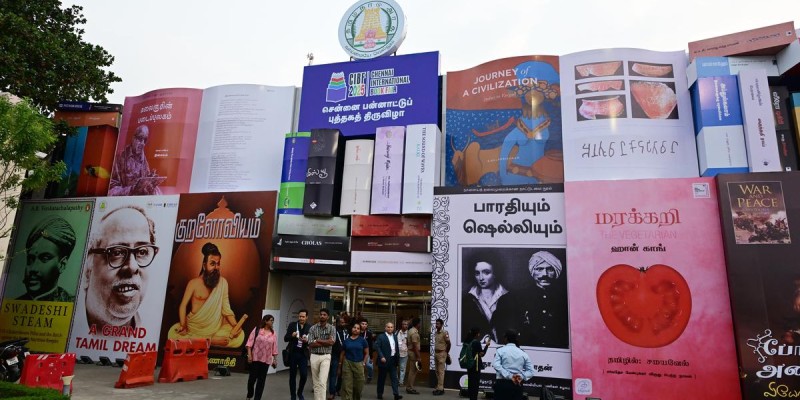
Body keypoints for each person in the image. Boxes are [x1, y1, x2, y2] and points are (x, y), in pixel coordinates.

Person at [84, 205, 157, 328]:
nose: (132, 267)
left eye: (142, 252)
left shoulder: (153, 329)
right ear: (88, 267)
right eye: (117, 252)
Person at [170, 242, 246, 347]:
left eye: (218, 263)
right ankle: (210, 340)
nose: (216, 267)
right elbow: (183, 305)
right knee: (173, 334)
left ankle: (201, 340)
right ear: (204, 265)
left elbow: (226, 309)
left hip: (215, 329)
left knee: (240, 335)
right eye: (212, 263)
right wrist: (183, 325)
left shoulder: (223, 283)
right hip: (194, 328)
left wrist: (235, 326)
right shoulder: (193, 283)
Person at [498, 61, 562, 185]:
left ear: (545, 95)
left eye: (537, 91)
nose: (532, 95)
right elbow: (506, 145)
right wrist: (502, 174)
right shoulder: (521, 124)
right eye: (528, 91)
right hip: (516, 175)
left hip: (539, 177)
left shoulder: (547, 122)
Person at [494, 251, 569, 348]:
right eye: (539, 269)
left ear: (556, 271)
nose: (544, 274)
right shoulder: (513, 298)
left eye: (550, 269)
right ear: (532, 271)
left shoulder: (564, 298)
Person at [17, 216, 77, 301]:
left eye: (44, 258)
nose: (33, 268)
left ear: (62, 265)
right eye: (30, 259)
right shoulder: (13, 304)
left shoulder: (72, 303)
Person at [462, 257, 508, 342]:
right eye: (477, 273)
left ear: (495, 274)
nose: (481, 278)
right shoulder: (467, 299)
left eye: (486, 272)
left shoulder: (508, 297)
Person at [109, 124, 163, 196]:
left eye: (145, 140)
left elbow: (144, 188)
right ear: (133, 138)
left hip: (141, 200)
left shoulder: (144, 161)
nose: (143, 144)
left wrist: (150, 181)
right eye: (140, 139)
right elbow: (111, 191)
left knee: (157, 191)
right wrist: (131, 190)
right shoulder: (119, 158)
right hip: (125, 201)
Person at [492, 330, 534, 399]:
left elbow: (496, 365)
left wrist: (510, 376)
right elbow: (531, 371)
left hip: (502, 384)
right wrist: (520, 377)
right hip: (517, 384)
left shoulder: (500, 350)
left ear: (506, 339)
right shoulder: (523, 353)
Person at [245, 314, 278, 400]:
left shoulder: (273, 334)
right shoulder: (257, 330)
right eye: (271, 320)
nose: (272, 322)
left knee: (261, 381)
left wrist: (275, 359)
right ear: (265, 321)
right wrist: (249, 355)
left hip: (266, 360)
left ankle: (257, 398)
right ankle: (250, 394)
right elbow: (249, 343)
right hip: (255, 359)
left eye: (273, 320)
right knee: (252, 379)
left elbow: (274, 348)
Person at [308, 308, 336, 400]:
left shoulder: (332, 328)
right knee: (316, 383)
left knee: (322, 382)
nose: (322, 316)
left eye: (324, 315)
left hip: (326, 356)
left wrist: (318, 340)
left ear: (328, 317)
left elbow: (331, 343)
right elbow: (311, 343)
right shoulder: (313, 328)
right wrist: (326, 341)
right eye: (321, 314)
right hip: (314, 356)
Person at [338, 322, 369, 400]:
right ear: (351, 329)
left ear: (360, 330)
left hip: (359, 364)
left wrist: (364, 363)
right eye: (354, 327)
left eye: (358, 328)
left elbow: (367, 353)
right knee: (347, 385)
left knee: (358, 386)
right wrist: (339, 366)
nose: (356, 329)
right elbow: (342, 354)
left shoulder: (363, 341)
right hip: (347, 363)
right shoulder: (346, 341)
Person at [285, 309, 311, 400]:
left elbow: (312, 341)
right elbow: (286, 338)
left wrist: (307, 340)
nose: (301, 318)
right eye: (300, 316)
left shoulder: (309, 327)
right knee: (292, 375)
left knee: (304, 375)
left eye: (303, 317)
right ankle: (293, 395)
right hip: (293, 353)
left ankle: (299, 392)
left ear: (307, 317)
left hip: (303, 354)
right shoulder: (292, 325)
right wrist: (291, 335)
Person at [375, 322, 403, 400]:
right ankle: (379, 393)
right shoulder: (381, 336)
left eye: (391, 327)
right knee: (381, 378)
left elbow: (396, 348)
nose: (390, 328)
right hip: (384, 360)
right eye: (388, 327)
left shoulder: (394, 336)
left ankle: (396, 394)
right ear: (385, 328)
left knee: (394, 378)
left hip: (393, 360)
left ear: (393, 328)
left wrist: (397, 358)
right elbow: (377, 347)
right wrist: (381, 356)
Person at [464, 327, 490, 400]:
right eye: (478, 333)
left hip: (469, 364)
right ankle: (473, 398)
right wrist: (487, 346)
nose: (479, 334)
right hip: (476, 365)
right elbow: (482, 354)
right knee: (475, 383)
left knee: (470, 381)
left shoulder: (467, 341)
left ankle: (471, 397)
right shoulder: (476, 342)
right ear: (476, 334)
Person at [328, 316, 349, 400]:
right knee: (333, 374)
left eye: (344, 322)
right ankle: (332, 392)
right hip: (335, 355)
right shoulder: (333, 332)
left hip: (344, 355)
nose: (343, 324)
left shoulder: (346, 331)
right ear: (337, 323)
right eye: (341, 322)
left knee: (341, 374)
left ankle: (338, 389)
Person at [432, 318, 451, 396]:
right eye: (436, 323)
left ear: (442, 325)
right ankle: (440, 387)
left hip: (442, 353)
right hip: (436, 353)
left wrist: (446, 353)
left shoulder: (444, 333)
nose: (437, 325)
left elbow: (449, 343)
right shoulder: (436, 333)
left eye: (438, 324)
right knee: (437, 371)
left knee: (441, 372)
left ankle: (440, 389)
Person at [404, 317, 421, 395]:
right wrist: (418, 357)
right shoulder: (414, 332)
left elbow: (407, 342)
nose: (420, 325)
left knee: (412, 370)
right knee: (413, 371)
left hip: (410, 351)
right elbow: (415, 346)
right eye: (419, 323)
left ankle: (409, 387)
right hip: (414, 353)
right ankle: (410, 387)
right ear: (418, 324)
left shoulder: (410, 330)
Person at [359, 318, 375, 384]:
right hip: (359, 353)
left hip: (367, 353)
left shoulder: (368, 334)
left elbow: (371, 345)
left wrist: (371, 357)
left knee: (369, 366)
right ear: (360, 324)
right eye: (362, 324)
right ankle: (360, 379)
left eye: (365, 324)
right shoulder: (357, 331)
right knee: (360, 366)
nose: (364, 325)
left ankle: (369, 376)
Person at [397, 319, 409, 387]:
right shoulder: (397, 332)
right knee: (395, 367)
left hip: (405, 353)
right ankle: (395, 380)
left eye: (407, 324)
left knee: (402, 368)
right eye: (404, 324)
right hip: (396, 353)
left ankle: (401, 381)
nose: (405, 326)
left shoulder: (409, 333)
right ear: (401, 325)